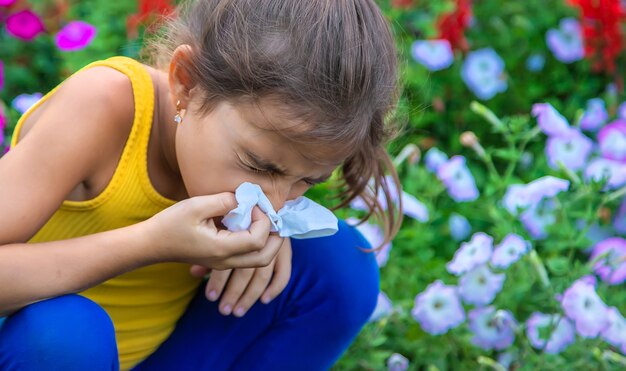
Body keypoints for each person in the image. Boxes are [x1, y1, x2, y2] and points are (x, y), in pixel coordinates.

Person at [0, 0, 403, 369]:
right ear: (187, 83)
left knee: (338, 265)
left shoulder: (259, 179)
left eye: (306, 181)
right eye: (258, 165)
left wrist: (272, 240)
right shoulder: (104, 107)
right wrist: (148, 244)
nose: (273, 203)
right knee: (65, 335)